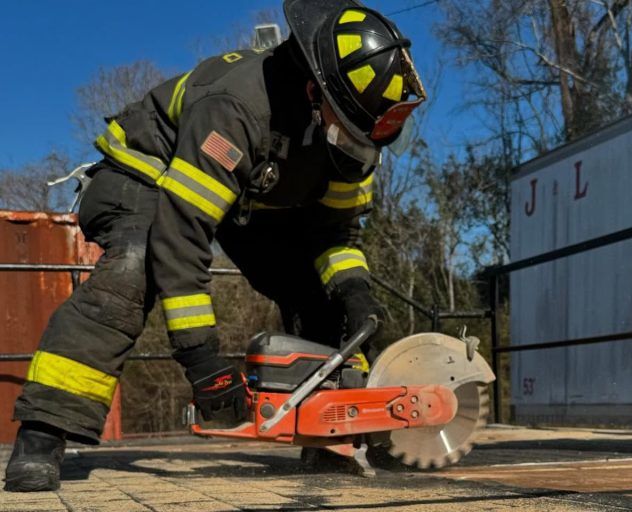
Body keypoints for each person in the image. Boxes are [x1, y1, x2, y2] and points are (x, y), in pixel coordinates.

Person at [4, 0, 426, 492]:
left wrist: (354, 292)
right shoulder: (236, 108)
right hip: (147, 175)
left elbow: (335, 237)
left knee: (322, 294)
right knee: (133, 269)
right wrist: (202, 360)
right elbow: (180, 236)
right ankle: (44, 430)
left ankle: (335, 428)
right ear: (315, 90)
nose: (354, 148)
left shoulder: (350, 136)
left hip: (245, 197)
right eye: (348, 132)